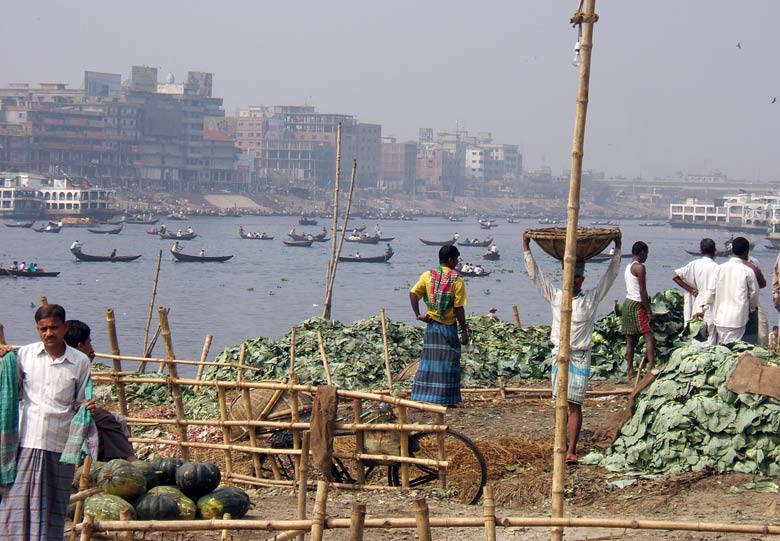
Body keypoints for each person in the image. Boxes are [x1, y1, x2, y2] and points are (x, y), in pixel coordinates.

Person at [524, 232, 622, 464]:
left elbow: (611, 275)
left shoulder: (591, 299)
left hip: (580, 357)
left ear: (582, 280)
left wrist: (618, 249)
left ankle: (571, 449)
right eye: (572, 277)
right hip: (559, 355)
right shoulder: (556, 297)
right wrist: (526, 249)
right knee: (560, 403)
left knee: (575, 405)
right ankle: (560, 444)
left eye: (578, 278)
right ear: (566, 277)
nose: (575, 281)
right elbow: (536, 277)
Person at [0, 304, 93, 539]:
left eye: (54, 327)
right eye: (43, 329)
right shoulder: (23, 356)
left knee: (53, 505)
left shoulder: (80, 362)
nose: (49, 333)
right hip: (25, 442)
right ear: (38, 329)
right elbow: (9, 390)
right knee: (15, 505)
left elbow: (80, 402)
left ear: (64, 327)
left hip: (60, 445)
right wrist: (4, 359)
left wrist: (87, 408)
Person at [64, 320, 136, 463]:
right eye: (89, 342)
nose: (91, 347)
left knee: (115, 418)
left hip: (81, 408)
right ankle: (131, 459)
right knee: (107, 420)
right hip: (71, 411)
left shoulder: (79, 362)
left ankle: (115, 461)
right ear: (80, 345)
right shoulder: (73, 364)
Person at [409, 245, 469, 406]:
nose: (457, 262)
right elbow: (458, 308)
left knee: (429, 362)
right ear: (450, 260)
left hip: (432, 327)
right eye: (456, 259)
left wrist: (418, 315)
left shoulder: (428, 275)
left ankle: (425, 397)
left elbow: (413, 294)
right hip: (447, 327)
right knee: (450, 362)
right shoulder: (457, 279)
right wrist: (464, 331)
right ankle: (446, 399)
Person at [697, 236, 759, 344]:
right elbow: (754, 294)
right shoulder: (748, 271)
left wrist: (702, 309)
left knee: (724, 346)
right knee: (733, 348)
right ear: (746, 252)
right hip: (738, 319)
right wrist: (752, 308)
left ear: (732, 249)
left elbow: (711, 292)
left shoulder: (719, 269)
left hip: (720, 317)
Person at [672, 238, 719, 345]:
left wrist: (691, 289)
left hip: (697, 304)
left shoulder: (694, 264)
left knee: (695, 335)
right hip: (711, 306)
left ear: (700, 251)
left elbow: (675, 276)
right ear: (714, 251)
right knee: (710, 338)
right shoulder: (717, 268)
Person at [621, 241, 656, 380]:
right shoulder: (640, 268)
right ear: (641, 252)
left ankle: (629, 371)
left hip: (627, 303)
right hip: (637, 305)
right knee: (649, 338)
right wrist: (649, 312)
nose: (647, 256)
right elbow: (642, 290)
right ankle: (651, 370)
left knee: (630, 340)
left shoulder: (628, 267)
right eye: (646, 253)